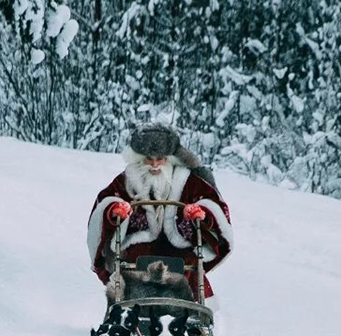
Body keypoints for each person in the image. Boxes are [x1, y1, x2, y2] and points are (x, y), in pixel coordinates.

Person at [87, 124, 233, 299]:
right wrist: (114, 210)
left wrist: (202, 213)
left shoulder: (188, 181)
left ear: (169, 159)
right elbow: (107, 199)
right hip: (138, 248)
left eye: (160, 159)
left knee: (189, 266)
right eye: (149, 159)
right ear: (139, 158)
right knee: (130, 266)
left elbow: (211, 202)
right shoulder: (128, 179)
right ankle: (129, 308)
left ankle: (194, 312)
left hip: (179, 248)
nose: (155, 165)